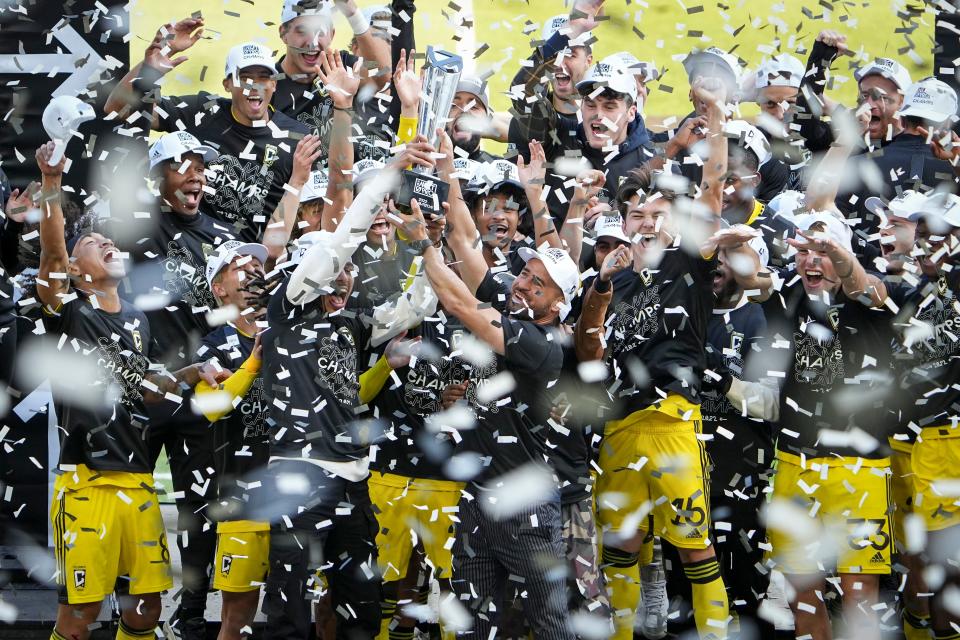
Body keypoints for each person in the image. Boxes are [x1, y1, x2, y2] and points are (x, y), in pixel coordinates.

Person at [391, 125, 583, 638]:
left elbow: (457, 302)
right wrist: (450, 173)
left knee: (550, 626)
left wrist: (423, 249)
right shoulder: (517, 303)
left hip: (526, 508)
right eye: (524, 274)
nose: (521, 283)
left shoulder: (542, 347)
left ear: (558, 305)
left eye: (536, 284)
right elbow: (466, 244)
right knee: (476, 624)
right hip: (478, 498)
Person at [34, 141, 227, 640]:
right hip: (88, 484)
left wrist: (190, 374)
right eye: (94, 246)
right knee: (80, 615)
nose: (108, 245)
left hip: (139, 480)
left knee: (144, 609)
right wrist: (52, 185)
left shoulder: (138, 320)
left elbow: (145, 388)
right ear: (76, 272)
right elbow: (54, 254)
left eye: (111, 243)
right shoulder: (71, 312)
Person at [257, 143, 438, 640]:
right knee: (289, 614)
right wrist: (387, 177)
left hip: (353, 481)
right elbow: (339, 242)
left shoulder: (352, 325)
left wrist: (427, 248)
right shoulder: (288, 312)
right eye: (331, 272)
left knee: (361, 604)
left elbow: (413, 308)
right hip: (299, 473)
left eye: (346, 274)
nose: (341, 277)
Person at [576, 79, 737, 640]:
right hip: (617, 426)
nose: (647, 221)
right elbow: (587, 349)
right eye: (638, 214)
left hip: (671, 424)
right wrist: (600, 287)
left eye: (658, 213)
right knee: (619, 548)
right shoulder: (608, 279)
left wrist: (714, 117)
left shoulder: (689, 261)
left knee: (694, 548)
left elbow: (713, 187)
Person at [104, 20, 325, 246]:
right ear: (227, 84)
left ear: (275, 84)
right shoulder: (203, 110)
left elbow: (311, 215)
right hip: (188, 251)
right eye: (245, 77)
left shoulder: (298, 138)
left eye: (263, 77)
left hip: (250, 265)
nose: (255, 85)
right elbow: (117, 108)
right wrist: (150, 67)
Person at [194, 240, 271, 640]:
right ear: (219, 288)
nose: (254, 268)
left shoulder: (292, 329)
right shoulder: (214, 345)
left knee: (313, 607)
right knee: (237, 617)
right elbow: (212, 407)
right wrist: (253, 362)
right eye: (240, 265)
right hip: (242, 495)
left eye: (258, 262)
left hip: (303, 493)